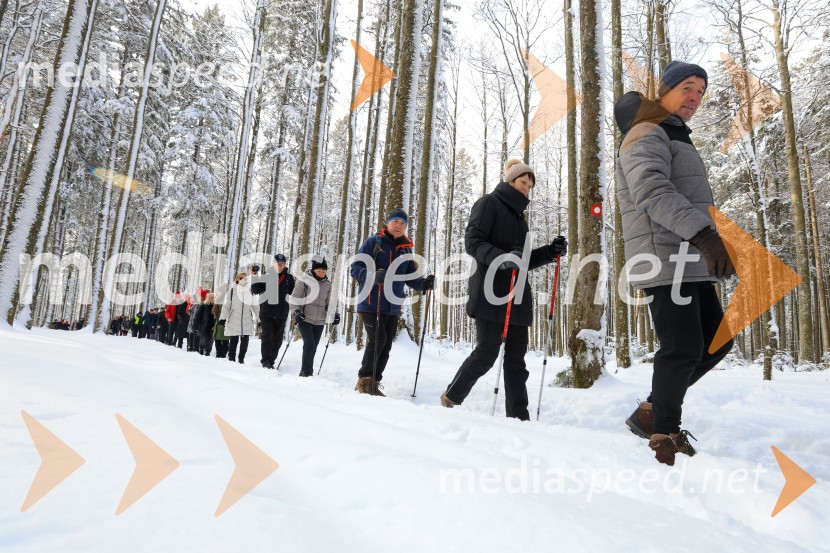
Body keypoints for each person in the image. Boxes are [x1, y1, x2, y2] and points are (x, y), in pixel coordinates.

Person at [614, 60, 735, 466]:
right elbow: (651, 190)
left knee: (717, 342)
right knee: (682, 347)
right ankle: (663, 434)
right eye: (687, 87)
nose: (695, 97)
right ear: (664, 91)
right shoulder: (646, 130)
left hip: (689, 255)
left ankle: (651, 411)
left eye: (701, 91)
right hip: (663, 256)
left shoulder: (674, 134)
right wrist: (704, 235)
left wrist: (711, 243)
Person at [440, 159, 567, 421]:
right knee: (487, 352)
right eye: (523, 183)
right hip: (490, 293)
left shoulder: (520, 219)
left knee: (516, 362)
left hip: (517, 298)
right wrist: (502, 258)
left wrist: (550, 252)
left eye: (530, 186)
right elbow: (473, 242)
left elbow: (523, 261)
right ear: (510, 181)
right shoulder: (489, 203)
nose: (527, 189)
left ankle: (518, 417)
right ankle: (452, 396)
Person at [350, 208, 435, 396]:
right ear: (388, 222)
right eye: (396, 221)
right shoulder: (373, 242)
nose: (399, 225)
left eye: (403, 223)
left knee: (386, 344)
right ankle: (364, 381)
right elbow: (355, 268)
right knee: (378, 339)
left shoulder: (406, 250)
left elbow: (410, 277)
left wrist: (424, 284)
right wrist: (372, 276)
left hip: (393, 305)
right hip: (371, 302)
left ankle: (374, 383)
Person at [290, 256, 337, 377]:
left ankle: (307, 370)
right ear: (313, 270)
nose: (322, 273)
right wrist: (296, 312)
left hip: (320, 320)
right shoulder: (303, 281)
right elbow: (294, 298)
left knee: (313, 346)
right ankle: (306, 372)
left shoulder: (327, 284)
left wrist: (334, 314)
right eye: (319, 271)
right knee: (309, 344)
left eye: (324, 271)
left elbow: (329, 303)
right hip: (304, 318)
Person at [251, 253, 295, 369]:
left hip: (281, 313)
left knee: (278, 340)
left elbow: (294, 293)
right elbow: (256, 290)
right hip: (267, 312)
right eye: (278, 263)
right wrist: (254, 276)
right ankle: (266, 361)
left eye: (282, 263)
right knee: (267, 337)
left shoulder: (289, 278)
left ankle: (271, 360)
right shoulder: (266, 275)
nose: (280, 265)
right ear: (273, 264)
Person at [219, 272, 258, 363]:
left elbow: (256, 307)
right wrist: (222, 318)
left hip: (247, 320)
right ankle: (231, 359)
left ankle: (241, 359)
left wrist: (260, 319)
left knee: (245, 342)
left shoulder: (250, 291)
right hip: (234, 319)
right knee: (233, 341)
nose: (243, 280)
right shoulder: (231, 291)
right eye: (240, 278)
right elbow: (226, 306)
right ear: (237, 279)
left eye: (245, 278)